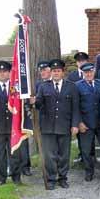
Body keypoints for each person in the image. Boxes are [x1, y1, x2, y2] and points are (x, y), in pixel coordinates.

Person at [33, 59, 80, 190]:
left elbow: (76, 108)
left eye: (58, 71)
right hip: (48, 126)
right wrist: (34, 101)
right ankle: (51, 178)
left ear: (62, 72)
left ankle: (63, 178)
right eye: (54, 71)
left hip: (65, 125)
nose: (56, 73)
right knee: (49, 155)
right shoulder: (43, 86)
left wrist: (75, 124)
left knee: (64, 154)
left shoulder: (71, 87)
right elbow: (39, 105)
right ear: (51, 72)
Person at [76, 63, 100, 181]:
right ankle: (89, 172)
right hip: (86, 123)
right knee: (86, 150)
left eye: (90, 72)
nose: (89, 74)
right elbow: (75, 106)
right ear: (83, 74)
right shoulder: (77, 86)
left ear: (94, 72)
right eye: (86, 73)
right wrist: (79, 122)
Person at [67, 52, 90, 164]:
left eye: (83, 61)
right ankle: (82, 155)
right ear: (76, 63)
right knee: (81, 136)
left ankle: (91, 156)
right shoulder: (72, 76)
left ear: (87, 61)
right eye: (79, 61)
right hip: (77, 109)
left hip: (89, 109)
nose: (81, 63)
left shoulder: (91, 73)